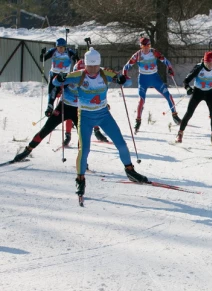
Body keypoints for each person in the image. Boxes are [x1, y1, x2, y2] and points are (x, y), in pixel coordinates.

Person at [54, 47, 148, 198]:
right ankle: (80, 179)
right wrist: (60, 78)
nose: (92, 69)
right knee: (84, 150)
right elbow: (56, 82)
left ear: (99, 64)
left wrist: (122, 79)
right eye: (89, 66)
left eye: (95, 66)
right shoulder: (78, 75)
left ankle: (130, 171)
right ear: (85, 64)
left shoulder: (105, 73)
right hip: (85, 117)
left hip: (104, 115)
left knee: (121, 144)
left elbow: (128, 83)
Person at [123, 37, 177, 133]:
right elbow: (126, 66)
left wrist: (170, 68)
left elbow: (166, 61)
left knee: (168, 96)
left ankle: (175, 115)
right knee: (141, 100)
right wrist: (125, 75)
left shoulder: (154, 52)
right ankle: (138, 121)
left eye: (148, 45)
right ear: (141, 46)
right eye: (144, 46)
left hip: (155, 78)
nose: (147, 48)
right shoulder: (138, 55)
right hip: (143, 79)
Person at [175, 51, 212, 146]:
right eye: (207, 62)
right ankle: (180, 133)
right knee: (189, 112)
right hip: (198, 92)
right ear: (204, 61)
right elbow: (186, 81)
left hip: (210, 93)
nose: (210, 65)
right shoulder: (199, 67)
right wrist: (188, 88)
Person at [63, 58, 110, 146]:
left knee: (93, 112)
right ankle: (68, 136)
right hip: (74, 102)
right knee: (69, 115)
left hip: (84, 103)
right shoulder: (72, 80)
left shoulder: (89, 80)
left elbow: (96, 94)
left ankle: (97, 131)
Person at [41, 38, 78, 116]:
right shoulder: (53, 51)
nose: (60, 49)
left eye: (62, 47)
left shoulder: (69, 51)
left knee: (68, 92)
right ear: (56, 46)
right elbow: (42, 59)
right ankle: (50, 107)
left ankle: (71, 111)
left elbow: (76, 59)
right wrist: (43, 54)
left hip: (66, 75)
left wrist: (75, 57)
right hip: (54, 74)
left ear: (65, 47)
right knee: (52, 91)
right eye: (58, 47)